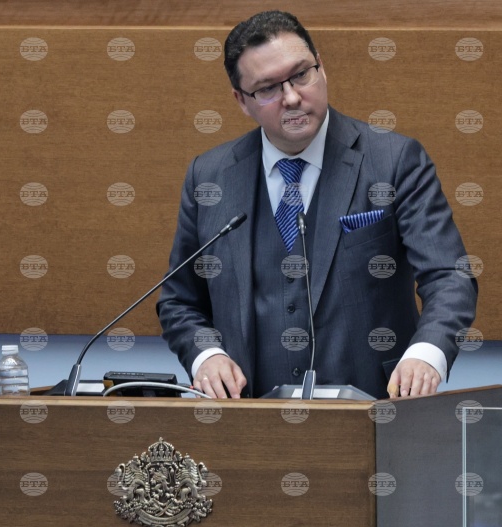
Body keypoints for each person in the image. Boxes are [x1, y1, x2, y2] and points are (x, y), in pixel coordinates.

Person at [157, 10, 477, 400]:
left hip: (377, 409)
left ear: (321, 68)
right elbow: (179, 300)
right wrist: (206, 356)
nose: (292, 97)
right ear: (241, 101)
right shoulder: (209, 177)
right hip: (249, 416)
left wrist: (426, 355)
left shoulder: (394, 161)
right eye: (268, 88)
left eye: (301, 75)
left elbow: (449, 276)